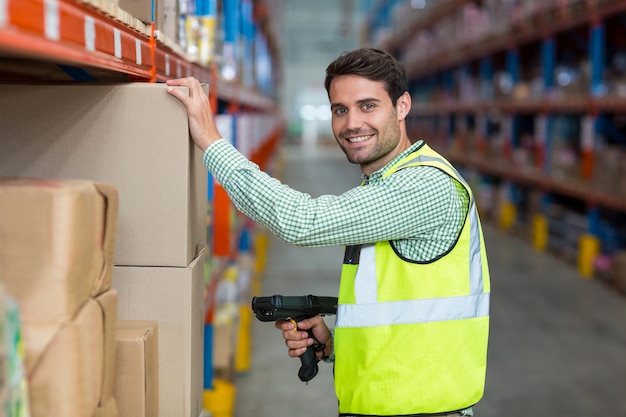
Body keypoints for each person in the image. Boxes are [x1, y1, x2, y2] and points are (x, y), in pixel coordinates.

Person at [166, 47, 490, 417]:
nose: (352, 123)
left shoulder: (423, 186)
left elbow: (303, 221)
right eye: (340, 110)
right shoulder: (383, 185)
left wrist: (211, 141)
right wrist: (335, 346)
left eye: (368, 106)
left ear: (402, 106)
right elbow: (404, 316)